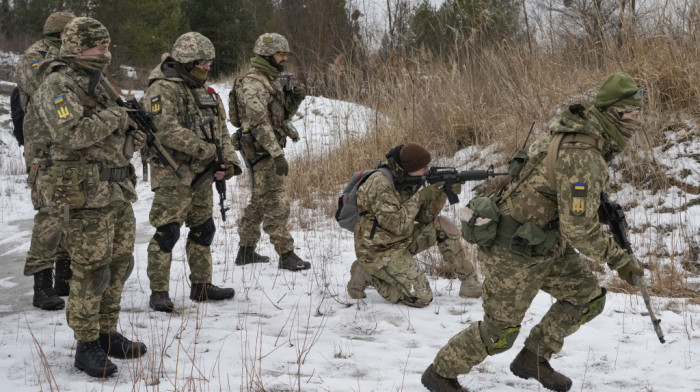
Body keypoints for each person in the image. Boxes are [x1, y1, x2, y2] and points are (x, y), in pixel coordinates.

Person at [421, 72, 645, 392]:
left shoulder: (571, 131)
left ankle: (534, 358)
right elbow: (579, 229)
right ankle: (440, 374)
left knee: (587, 298)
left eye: (640, 112)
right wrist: (619, 259)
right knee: (500, 333)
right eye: (631, 113)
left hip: (545, 243)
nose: (637, 120)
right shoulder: (584, 155)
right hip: (511, 248)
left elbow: (549, 188)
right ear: (613, 114)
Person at [25, 16, 147, 378]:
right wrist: (117, 116)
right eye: (99, 46)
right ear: (77, 48)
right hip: (82, 196)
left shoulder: (99, 82)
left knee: (119, 265)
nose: (106, 52)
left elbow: (122, 132)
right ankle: (87, 344)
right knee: (91, 272)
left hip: (114, 191)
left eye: (108, 45)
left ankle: (108, 333)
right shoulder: (56, 85)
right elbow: (72, 134)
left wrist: (133, 130)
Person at [144, 32, 242, 313]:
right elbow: (164, 128)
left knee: (203, 229)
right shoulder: (162, 89)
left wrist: (229, 162)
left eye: (210, 62)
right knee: (168, 232)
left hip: (203, 175)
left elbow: (222, 132)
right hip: (173, 174)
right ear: (186, 62)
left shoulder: (205, 91)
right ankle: (159, 291)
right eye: (202, 63)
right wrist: (205, 150)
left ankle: (202, 286)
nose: (207, 68)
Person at [348, 142, 482, 307]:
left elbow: (425, 218)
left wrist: (442, 193)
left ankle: (470, 283)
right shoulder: (379, 184)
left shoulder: (406, 177)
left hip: (400, 240)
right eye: (423, 167)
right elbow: (396, 224)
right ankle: (367, 273)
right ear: (410, 167)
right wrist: (421, 196)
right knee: (422, 297)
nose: (427, 170)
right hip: (378, 252)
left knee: (442, 225)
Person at [231, 33, 310, 271]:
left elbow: (279, 117)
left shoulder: (270, 79)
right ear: (267, 55)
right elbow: (258, 123)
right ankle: (286, 254)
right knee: (277, 202)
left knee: (258, 201)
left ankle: (245, 251)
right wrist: (277, 154)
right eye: (280, 54)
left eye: (285, 54)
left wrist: (295, 99)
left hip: (268, 147)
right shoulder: (254, 83)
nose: (284, 59)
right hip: (261, 151)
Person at [16, 11, 76, 310]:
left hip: (68, 145)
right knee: (50, 215)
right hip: (44, 149)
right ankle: (42, 284)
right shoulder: (34, 57)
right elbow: (43, 86)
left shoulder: (71, 56)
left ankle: (64, 276)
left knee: (71, 209)